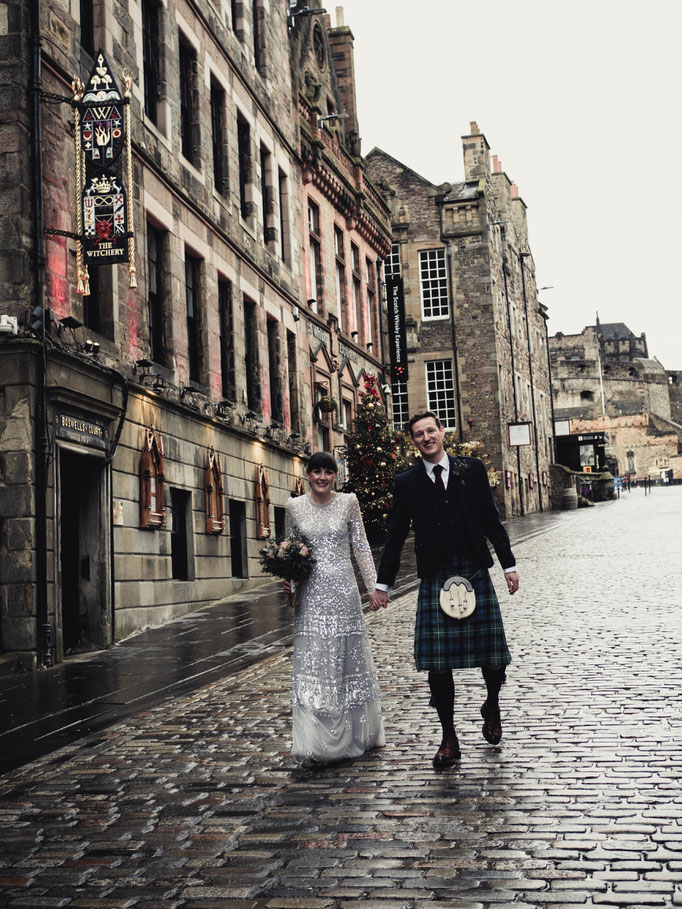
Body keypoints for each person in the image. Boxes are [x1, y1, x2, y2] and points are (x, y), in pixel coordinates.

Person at [372, 412, 519, 769]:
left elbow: (490, 518)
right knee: (439, 666)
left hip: (473, 570)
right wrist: (382, 585)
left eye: (431, 431)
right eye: (418, 434)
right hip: (436, 576)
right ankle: (448, 736)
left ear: (442, 432)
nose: (426, 437)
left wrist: (509, 564)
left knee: (494, 657)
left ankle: (492, 704)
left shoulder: (472, 469)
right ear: (413, 441)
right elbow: (394, 536)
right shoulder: (406, 482)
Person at [284, 452, 385, 765]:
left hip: (343, 593)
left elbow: (361, 546)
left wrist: (374, 587)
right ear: (308, 475)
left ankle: (355, 734)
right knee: (316, 662)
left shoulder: (349, 502)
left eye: (328, 472)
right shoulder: (294, 507)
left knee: (345, 661)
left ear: (335, 475)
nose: (323, 478)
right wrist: (289, 581)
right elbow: (289, 549)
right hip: (312, 594)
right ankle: (315, 739)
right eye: (317, 472)